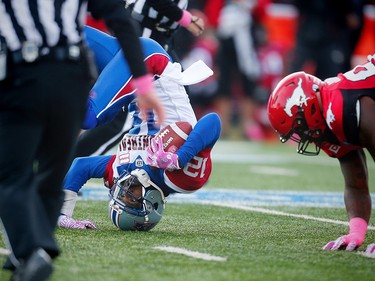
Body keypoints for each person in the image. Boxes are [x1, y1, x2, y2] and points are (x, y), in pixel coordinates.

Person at [0, 1, 164, 280]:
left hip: (23, 75)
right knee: (51, 175)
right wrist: (143, 82)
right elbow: (120, 18)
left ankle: (30, 251)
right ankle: (33, 251)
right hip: (72, 76)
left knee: (12, 175)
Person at [266, 54, 375, 254]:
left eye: (299, 129)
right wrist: (356, 232)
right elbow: (355, 183)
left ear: (307, 109)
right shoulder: (329, 116)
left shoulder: (339, 107)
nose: (303, 137)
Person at [76, 0, 205, 157]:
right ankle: (68, 161)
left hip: (147, 38)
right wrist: (186, 18)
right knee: (120, 119)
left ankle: (66, 162)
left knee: (110, 117)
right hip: (142, 36)